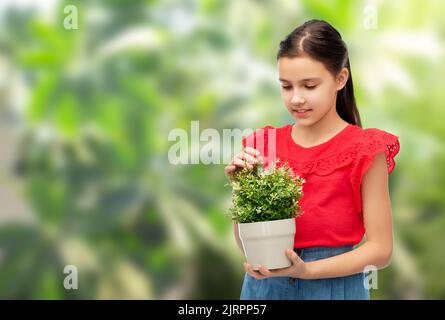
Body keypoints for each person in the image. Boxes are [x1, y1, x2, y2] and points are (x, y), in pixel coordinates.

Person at [224, 19, 400, 300]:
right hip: (265, 289)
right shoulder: (263, 145)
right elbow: (248, 245)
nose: (296, 99)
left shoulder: (365, 149)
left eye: (309, 86)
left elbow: (381, 250)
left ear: (340, 79)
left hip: (333, 288)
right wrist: (242, 191)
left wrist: (306, 271)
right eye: (286, 86)